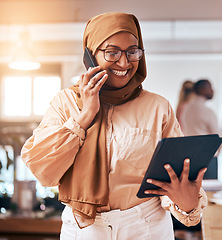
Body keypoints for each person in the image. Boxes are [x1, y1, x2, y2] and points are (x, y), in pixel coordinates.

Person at [20, 12, 207, 240]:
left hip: (146, 227)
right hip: (84, 229)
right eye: (112, 52)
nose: (124, 62)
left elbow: (175, 177)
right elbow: (44, 170)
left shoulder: (158, 107)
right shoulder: (66, 103)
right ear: (90, 55)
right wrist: (86, 115)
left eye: (132, 51)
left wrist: (187, 204)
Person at [181, 79, 220, 179]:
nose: (213, 91)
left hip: (190, 157)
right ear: (202, 90)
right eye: (210, 87)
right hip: (208, 158)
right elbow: (217, 137)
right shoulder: (207, 112)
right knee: (209, 192)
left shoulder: (185, 109)